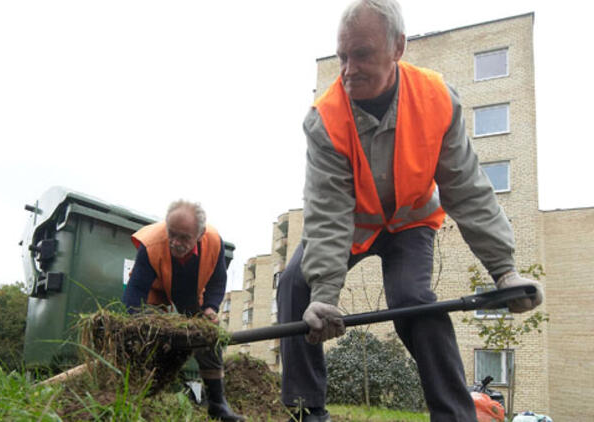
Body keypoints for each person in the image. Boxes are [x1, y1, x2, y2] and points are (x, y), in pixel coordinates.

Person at [276, 1, 544, 421]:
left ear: (397, 47)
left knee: (415, 301)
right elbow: (327, 213)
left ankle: (456, 415)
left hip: (410, 222)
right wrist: (325, 296)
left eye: (362, 54)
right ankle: (307, 410)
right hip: (349, 223)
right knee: (296, 283)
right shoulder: (325, 119)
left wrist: (504, 271)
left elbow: (468, 188)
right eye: (343, 56)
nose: (348, 70)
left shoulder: (436, 99)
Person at [123, 200, 245, 422]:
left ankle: (218, 406)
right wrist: (142, 324)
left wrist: (210, 308)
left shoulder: (214, 242)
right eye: (172, 234)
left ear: (199, 235)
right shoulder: (151, 245)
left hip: (190, 294)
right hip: (155, 291)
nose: (176, 243)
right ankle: (134, 400)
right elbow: (135, 291)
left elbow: (217, 281)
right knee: (147, 340)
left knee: (208, 337)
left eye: (184, 238)